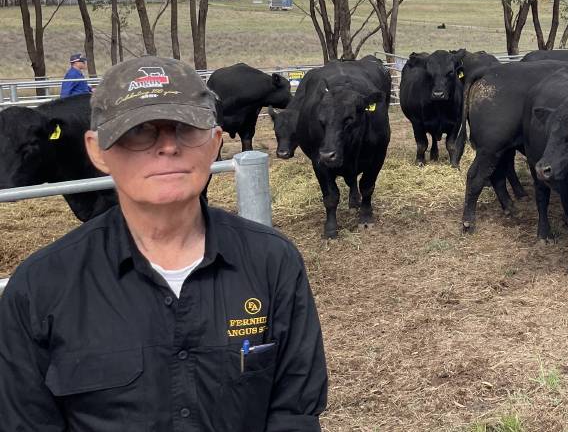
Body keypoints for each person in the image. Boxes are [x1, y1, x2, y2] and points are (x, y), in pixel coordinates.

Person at [0, 56, 328, 431]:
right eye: (139, 131)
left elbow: (294, 412)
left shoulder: (273, 262)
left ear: (215, 142)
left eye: (187, 128)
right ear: (97, 150)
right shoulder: (38, 289)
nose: (168, 147)